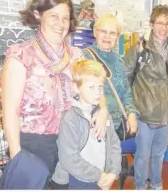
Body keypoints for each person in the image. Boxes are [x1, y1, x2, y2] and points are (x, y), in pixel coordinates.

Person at [0, 0, 109, 189]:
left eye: (65, 18)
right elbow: (10, 112)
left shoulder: (76, 56)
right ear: (37, 15)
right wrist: (17, 156)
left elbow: (96, 86)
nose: (61, 24)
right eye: (54, 16)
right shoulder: (20, 56)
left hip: (71, 141)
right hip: (32, 144)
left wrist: (103, 109)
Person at [123, 4, 168, 190]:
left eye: (167, 23)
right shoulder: (139, 49)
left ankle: (157, 184)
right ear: (151, 24)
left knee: (159, 153)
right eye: (160, 23)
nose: (164, 27)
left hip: (166, 113)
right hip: (145, 114)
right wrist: (134, 107)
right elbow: (125, 80)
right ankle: (141, 186)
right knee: (143, 155)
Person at [52, 59, 121, 190]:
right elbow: (69, 158)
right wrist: (99, 176)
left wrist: (113, 172)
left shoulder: (104, 115)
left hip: (102, 177)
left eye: (100, 86)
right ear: (76, 88)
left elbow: (114, 145)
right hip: (77, 181)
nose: (98, 92)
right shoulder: (70, 118)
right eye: (91, 87)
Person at [82, 14, 138, 134]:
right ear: (95, 32)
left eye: (112, 33)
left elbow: (126, 91)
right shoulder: (85, 58)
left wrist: (131, 113)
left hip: (116, 126)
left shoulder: (118, 60)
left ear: (117, 37)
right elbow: (83, 95)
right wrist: (101, 110)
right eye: (103, 31)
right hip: (95, 124)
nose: (107, 36)